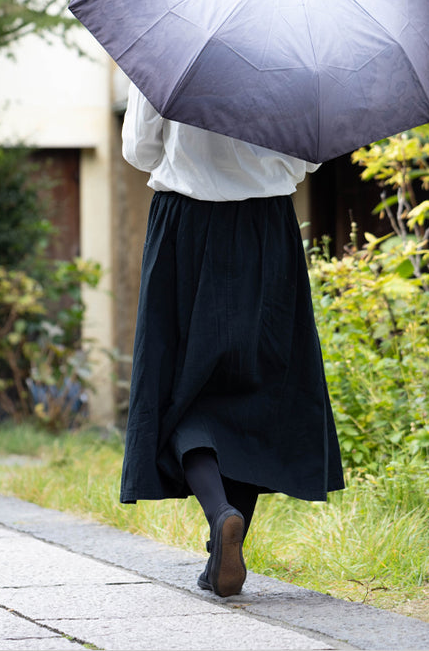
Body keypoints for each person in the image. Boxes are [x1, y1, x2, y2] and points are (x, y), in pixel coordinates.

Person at [119, 80, 345, 598]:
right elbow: (309, 159)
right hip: (268, 228)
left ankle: (221, 514)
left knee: (180, 382)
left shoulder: (170, 51)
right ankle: (227, 529)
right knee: (259, 384)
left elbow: (139, 149)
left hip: (185, 224)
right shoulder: (294, 56)